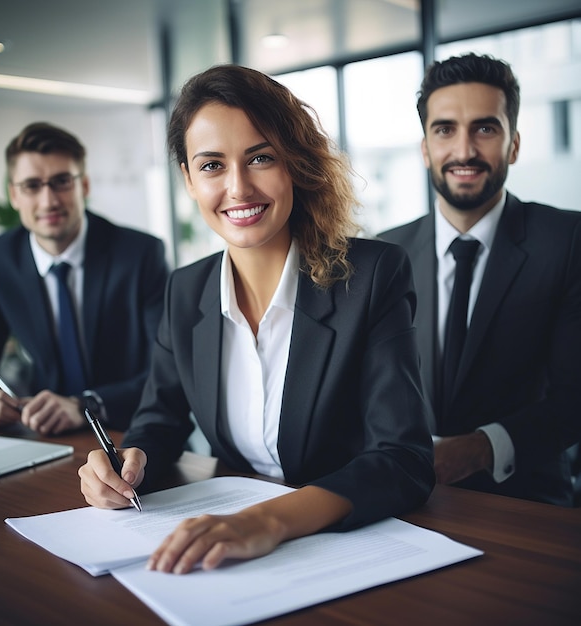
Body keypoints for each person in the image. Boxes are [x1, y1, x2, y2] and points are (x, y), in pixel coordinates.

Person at [78, 64, 435, 574]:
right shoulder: (186, 289)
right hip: (229, 552)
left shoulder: (373, 275)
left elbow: (405, 461)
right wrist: (124, 466)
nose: (239, 187)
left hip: (348, 549)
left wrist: (269, 520)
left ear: (294, 163)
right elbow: (158, 422)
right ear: (188, 178)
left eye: (260, 157)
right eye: (211, 165)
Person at [380, 53, 581, 506]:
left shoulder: (567, 242)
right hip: (407, 500)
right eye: (445, 129)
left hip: (528, 506)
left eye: (485, 128)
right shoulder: (385, 253)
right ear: (425, 147)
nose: (464, 150)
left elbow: (576, 396)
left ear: (513, 144)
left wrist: (479, 449)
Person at [0, 122, 170, 435]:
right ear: (14, 195)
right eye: (32, 186)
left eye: (61, 182)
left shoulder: (140, 253)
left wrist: (86, 405)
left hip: (133, 432)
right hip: (48, 437)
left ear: (84, 186)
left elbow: (166, 369)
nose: (48, 201)